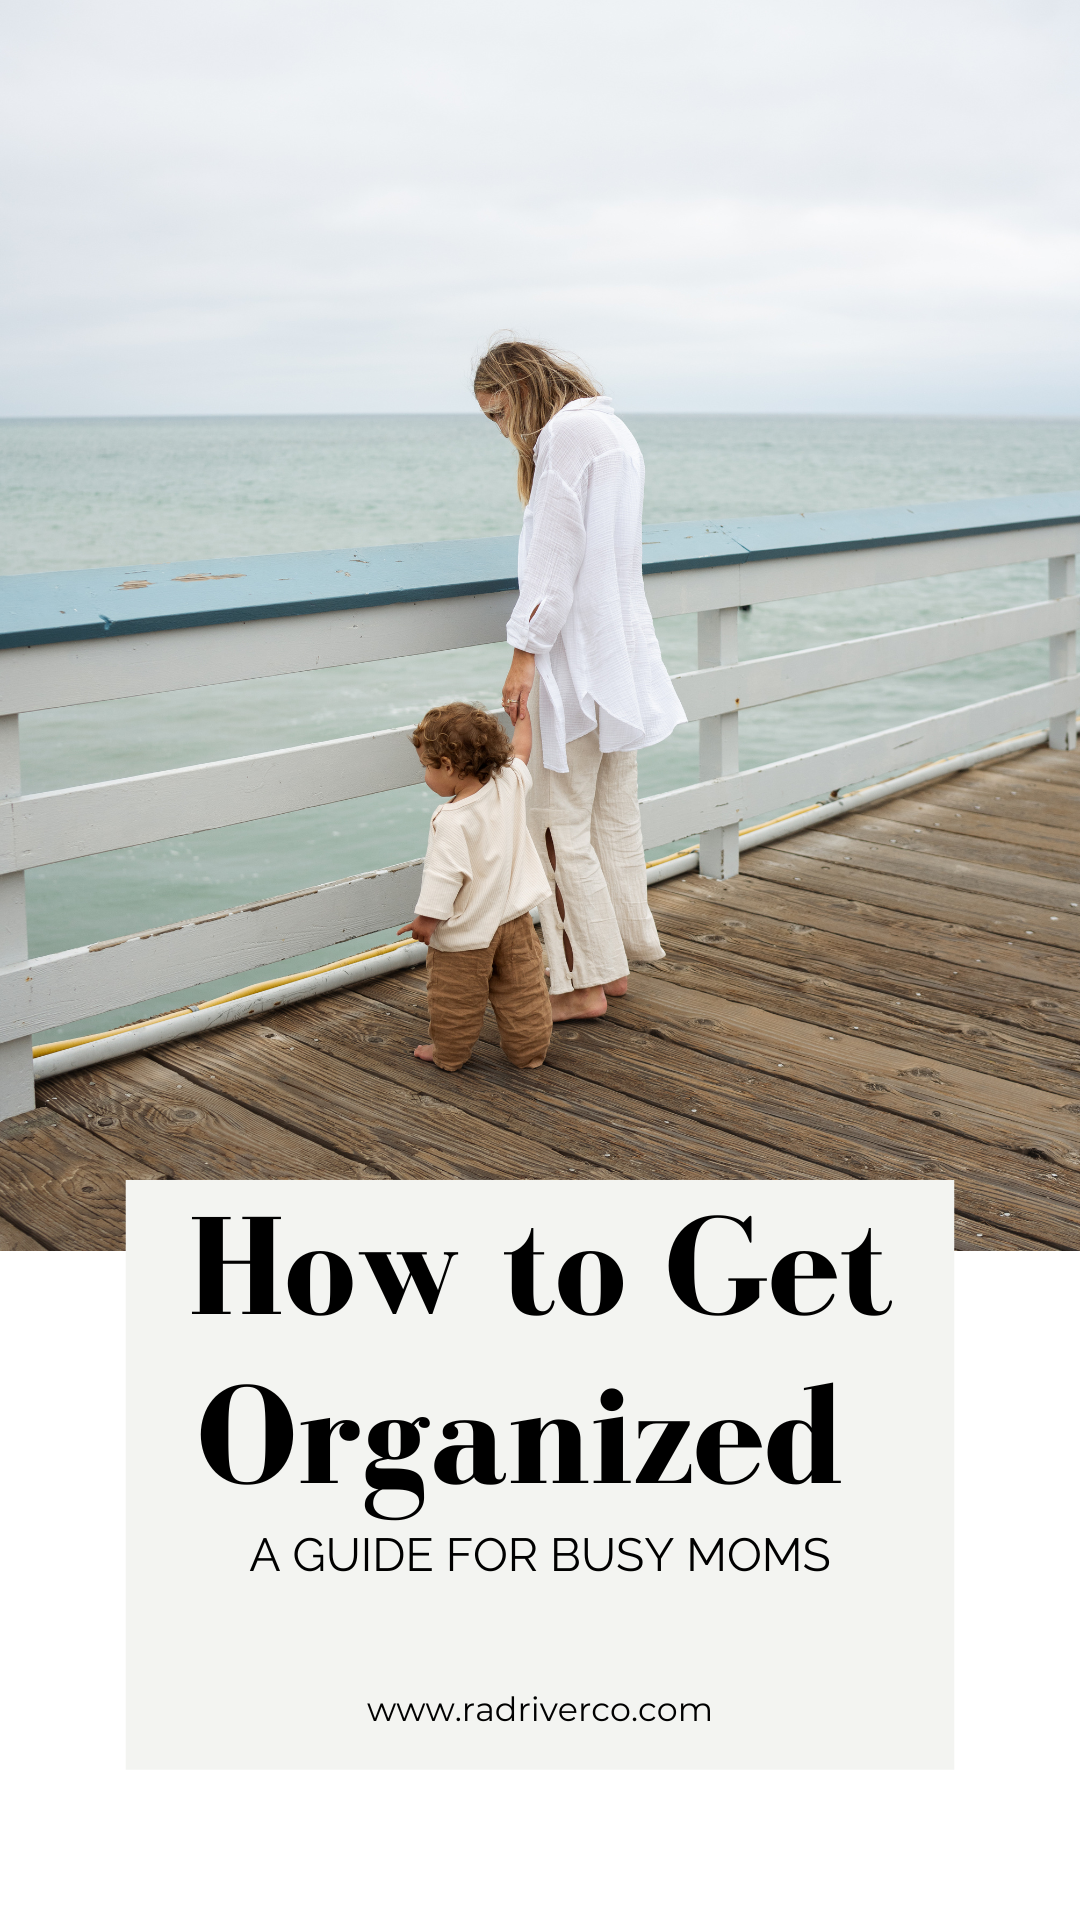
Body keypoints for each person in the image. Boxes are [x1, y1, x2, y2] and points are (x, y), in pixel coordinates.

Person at [474, 339, 687, 1022]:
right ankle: (616, 960)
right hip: (618, 655)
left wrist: (523, 648)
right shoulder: (611, 429)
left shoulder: (564, 437)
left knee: (552, 824)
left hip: (574, 660)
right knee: (607, 817)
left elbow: (555, 551)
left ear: (515, 390)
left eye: (494, 411)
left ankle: (580, 985)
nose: (499, 429)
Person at [397, 700, 553, 1072]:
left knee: (456, 999)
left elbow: (444, 878)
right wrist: (523, 718)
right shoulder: (509, 781)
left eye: (426, 767)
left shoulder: (451, 819)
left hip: (467, 934)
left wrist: (425, 922)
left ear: (448, 767)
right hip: (515, 920)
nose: (425, 776)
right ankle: (529, 1052)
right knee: (524, 993)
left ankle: (448, 1054)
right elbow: (522, 750)